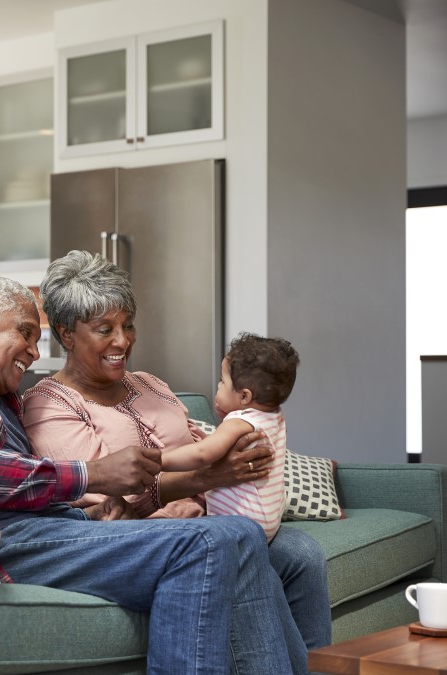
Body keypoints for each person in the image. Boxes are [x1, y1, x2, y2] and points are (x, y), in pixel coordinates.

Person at [0, 273, 308, 675]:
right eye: (25, 332)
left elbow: (25, 483)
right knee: (214, 539)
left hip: (42, 527)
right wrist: (93, 474)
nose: (35, 351)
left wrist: (93, 513)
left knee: (246, 541)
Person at [23, 249, 330, 651]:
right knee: (242, 556)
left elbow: (200, 442)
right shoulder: (49, 405)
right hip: (155, 535)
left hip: (211, 514)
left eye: (128, 325)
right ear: (66, 333)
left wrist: (243, 458)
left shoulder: (150, 383)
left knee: (303, 552)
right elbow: (108, 492)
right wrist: (209, 478)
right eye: (104, 329)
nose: (123, 340)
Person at [158, 333, 299, 541]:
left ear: (244, 396)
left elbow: (202, 454)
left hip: (239, 524)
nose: (218, 386)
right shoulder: (274, 416)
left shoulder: (238, 423)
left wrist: (159, 461)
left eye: (222, 382)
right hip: (267, 521)